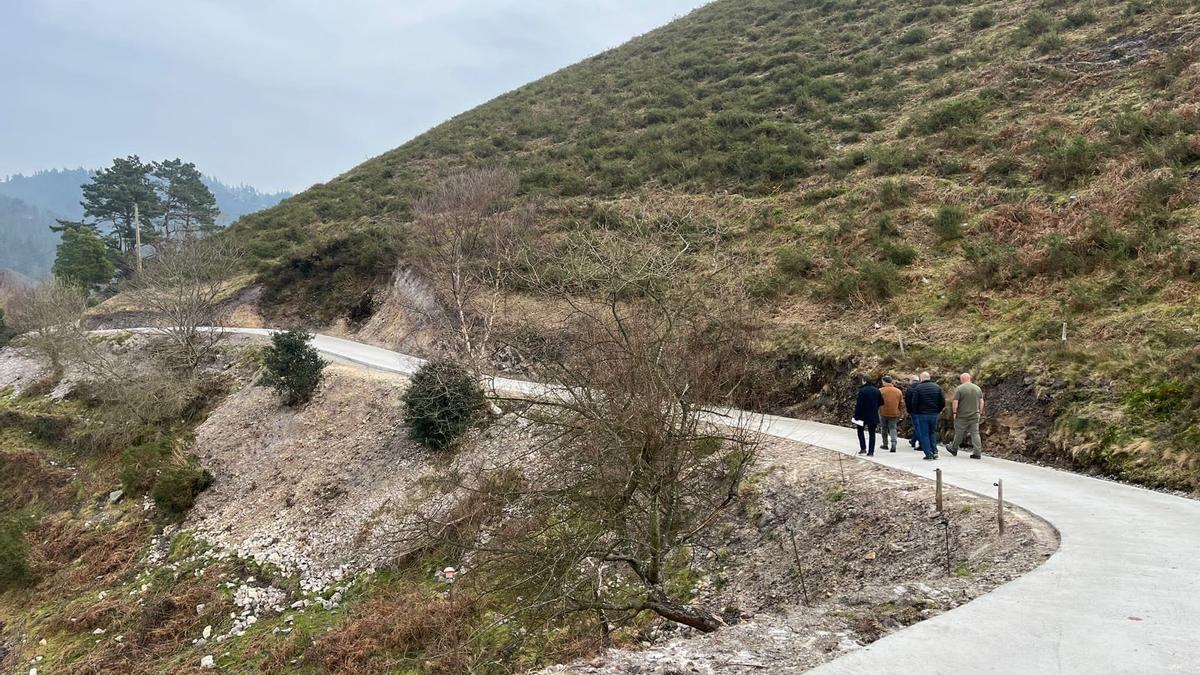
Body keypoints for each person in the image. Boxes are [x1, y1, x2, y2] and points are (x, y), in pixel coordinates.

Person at [948, 372, 985, 459]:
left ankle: (954, 448)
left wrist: (954, 412)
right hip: (975, 415)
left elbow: (955, 401)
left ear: (962, 379)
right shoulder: (977, 388)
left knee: (959, 433)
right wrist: (980, 411)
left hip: (962, 416)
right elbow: (981, 401)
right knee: (975, 433)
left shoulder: (960, 389)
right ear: (970, 378)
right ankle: (977, 452)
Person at [910, 371, 946, 461]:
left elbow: (914, 403)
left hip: (922, 414)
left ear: (921, 378)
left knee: (924, 434)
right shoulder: (937, 387)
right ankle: (934, 451)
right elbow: (942, 401)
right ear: (929, 378)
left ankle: (928, 454)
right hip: (934, 414)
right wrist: (938, 410)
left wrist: (916, 412)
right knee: (932, 432)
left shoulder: (918, 388)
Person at [853, 374, 884, 456]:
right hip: (873, 414)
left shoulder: (862, 391)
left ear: (864, 381)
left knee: (860, 431)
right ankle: (871, 452)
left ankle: (863, 448)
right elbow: (882, 402)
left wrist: (856, 415)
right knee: (872, 433)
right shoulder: (877, 390)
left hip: (862, 416)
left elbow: (859, 405)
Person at [879, 376, 903, 453]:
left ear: (884, 382)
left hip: (883, 412)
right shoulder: (898, 391)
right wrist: (900, 411)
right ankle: (893, 443)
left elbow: (877, 402)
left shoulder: (880, 391)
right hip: (894, 412)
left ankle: (885, 444)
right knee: (893, 428)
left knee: (884, 428)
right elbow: (901, 403)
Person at [905, 374, 921, 451]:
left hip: (913, 411)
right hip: (922, 411)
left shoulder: (910, 388)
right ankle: (913, 440)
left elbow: (907, 401)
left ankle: (921, 442)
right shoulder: (922, 387)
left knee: (917, 427)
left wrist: (909, 410)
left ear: (912, 381)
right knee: (917, 426)